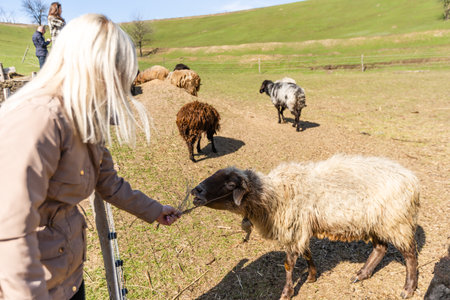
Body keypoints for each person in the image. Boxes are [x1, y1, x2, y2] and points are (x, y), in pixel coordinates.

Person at [0, 14, 181, 300]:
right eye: (119, 75)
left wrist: (155, 210)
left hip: (67, 276)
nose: (123, 88)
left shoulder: (84, 121)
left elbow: (109, 183)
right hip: (34, 286)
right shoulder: (39, 122)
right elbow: (9, 235)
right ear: (97, 70)